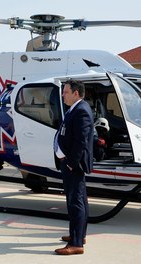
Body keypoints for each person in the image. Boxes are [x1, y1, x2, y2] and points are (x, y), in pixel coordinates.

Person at [53, 80, 94, 255]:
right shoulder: (75, 109)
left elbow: (81, 142)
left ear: (76, 93)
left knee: (75, 202)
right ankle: (78, 235)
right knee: (79, 200)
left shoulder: (81, 111)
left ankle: (77, 244)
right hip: (70, 164)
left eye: (66, 92)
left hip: (73, 165)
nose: (63, 95)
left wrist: (70, 163)